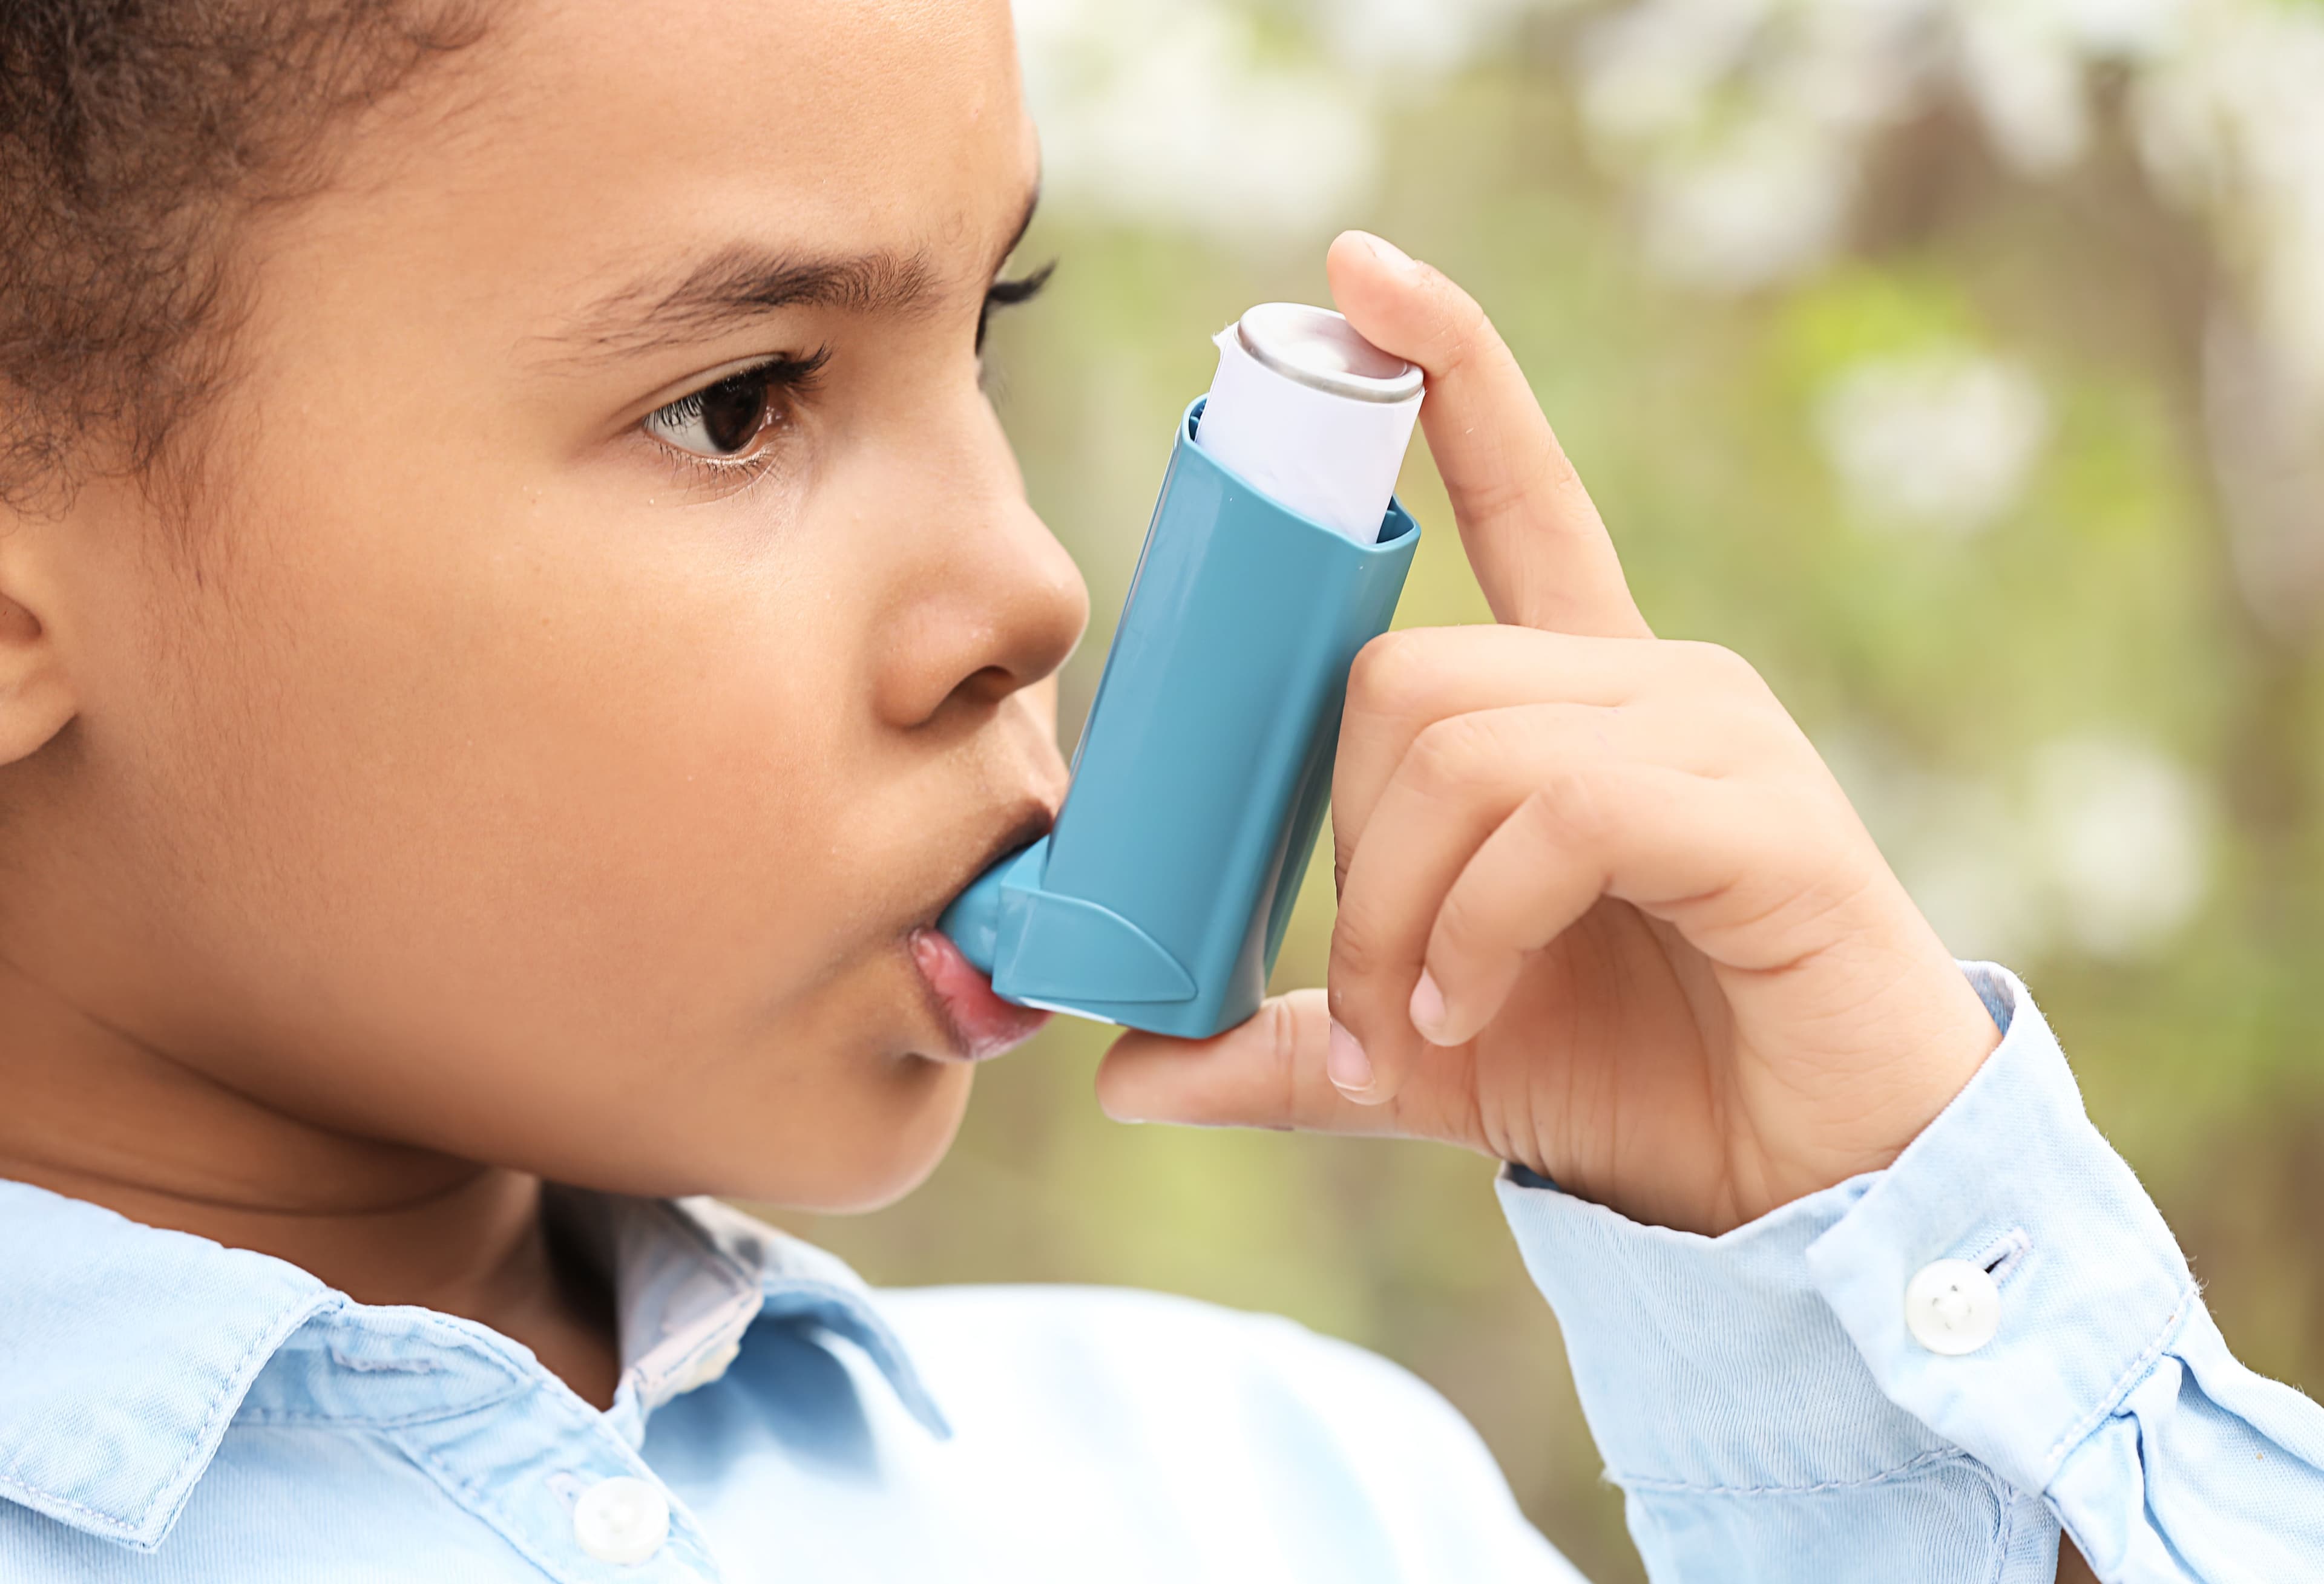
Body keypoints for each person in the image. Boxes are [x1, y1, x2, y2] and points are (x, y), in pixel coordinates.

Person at [0, 2, 2317, 1580]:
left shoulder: (1291, 1493)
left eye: (978, 330)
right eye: (741, 400)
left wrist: (1878, 1288)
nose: (1024, 579)